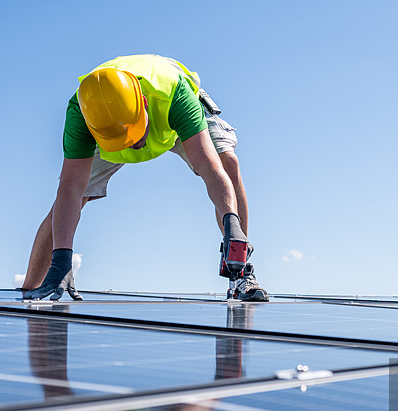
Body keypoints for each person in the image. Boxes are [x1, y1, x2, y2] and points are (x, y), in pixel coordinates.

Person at [21, 54, 268, 302]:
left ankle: (242, 272)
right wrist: (62, 260)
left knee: (227, 163)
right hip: (108, 126)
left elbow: (209, 168)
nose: (133, 147)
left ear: (144, 104)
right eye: (124, 143)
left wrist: (231, 224)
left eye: (134, 136)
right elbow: (70, 188)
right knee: (71, 199)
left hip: (170, 116)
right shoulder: (82, 113)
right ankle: (35, 286)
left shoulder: (175, 95)